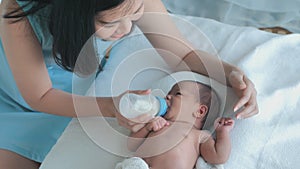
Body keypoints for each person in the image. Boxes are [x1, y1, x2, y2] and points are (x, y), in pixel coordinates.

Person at [0, 0, 257, 168]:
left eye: (135, 14)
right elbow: (41, 96)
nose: (126, 28)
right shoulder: (17, 13)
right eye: (109, 23)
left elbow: (182, 54)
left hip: (75, 82)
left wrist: (231, 73)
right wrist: (112, 107)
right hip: (18, 92)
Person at [125, 81, 234, 169]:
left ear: (200, 111)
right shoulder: (156, 122)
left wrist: (222, 132)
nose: (167, 96)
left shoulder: (200, 136)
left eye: (177, 93)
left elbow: (218, 156)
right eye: (169, 93)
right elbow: (131, 145)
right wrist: (147, 127)